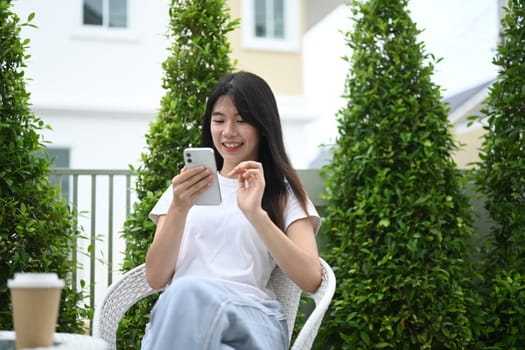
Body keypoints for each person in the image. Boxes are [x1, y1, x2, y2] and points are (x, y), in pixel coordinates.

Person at [141, 71, 321, 350]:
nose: (228, 132)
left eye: (242, 120)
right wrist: (178, 208)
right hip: (183, 321)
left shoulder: (279, 191)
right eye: (219, 120)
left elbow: (311, 278)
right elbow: (155, 278)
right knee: (185, 300)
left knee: (187, 291)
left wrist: (256, 215)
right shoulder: (184, 190)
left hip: (252, 318)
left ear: (262, 126)